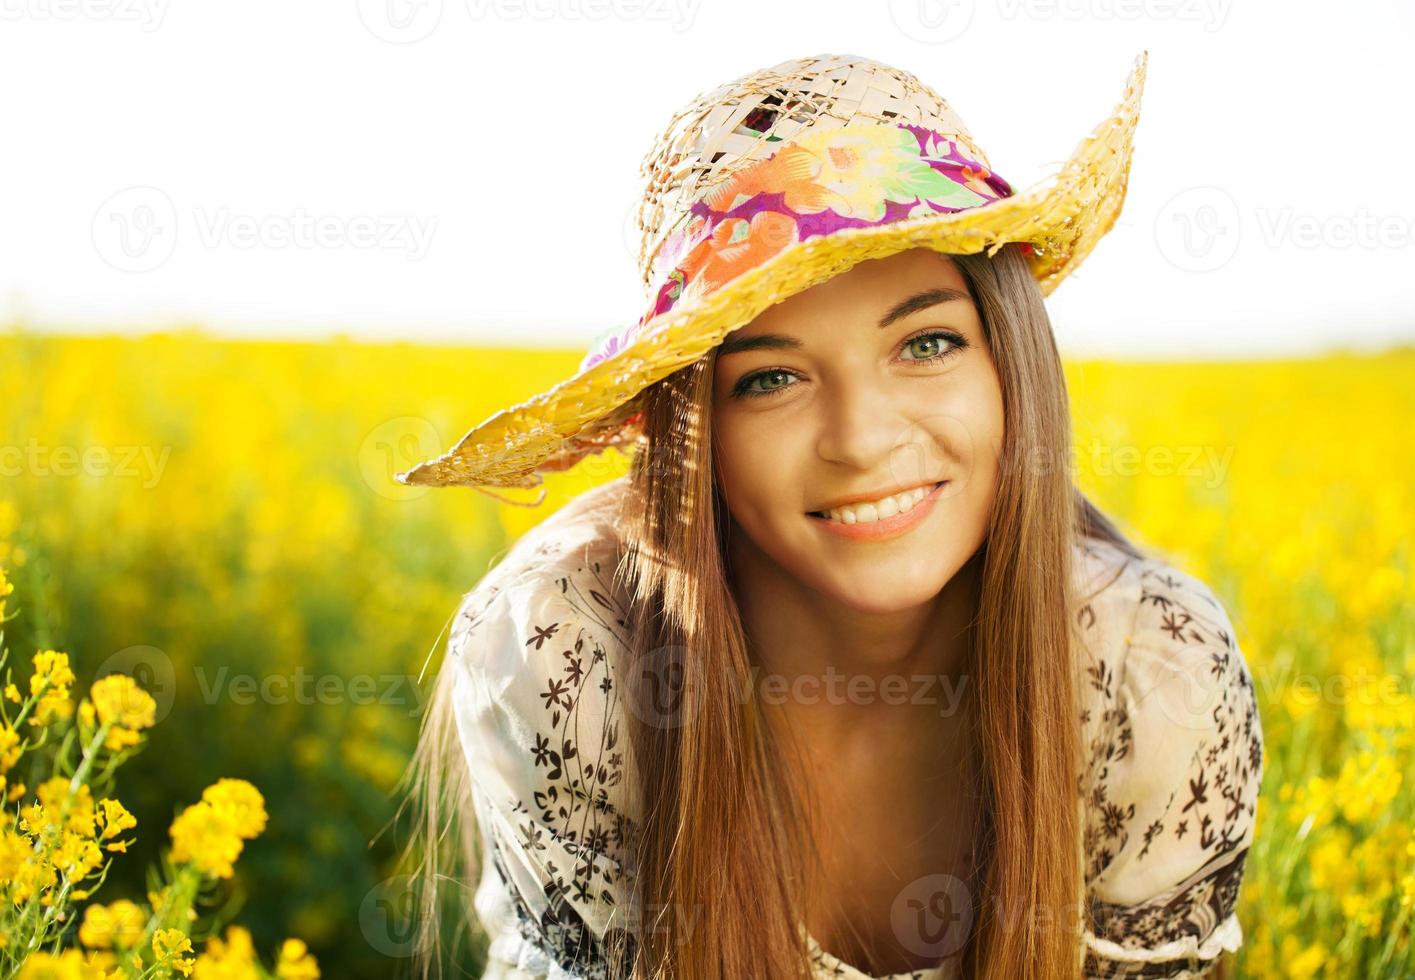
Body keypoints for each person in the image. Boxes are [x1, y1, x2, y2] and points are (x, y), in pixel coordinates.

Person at [398, 52, 1264, 980]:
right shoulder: (568, 648)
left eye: (925, 343)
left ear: (1011, 363)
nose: (860, 440)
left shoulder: (1150, 670)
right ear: (697, 429)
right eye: (772, 378)